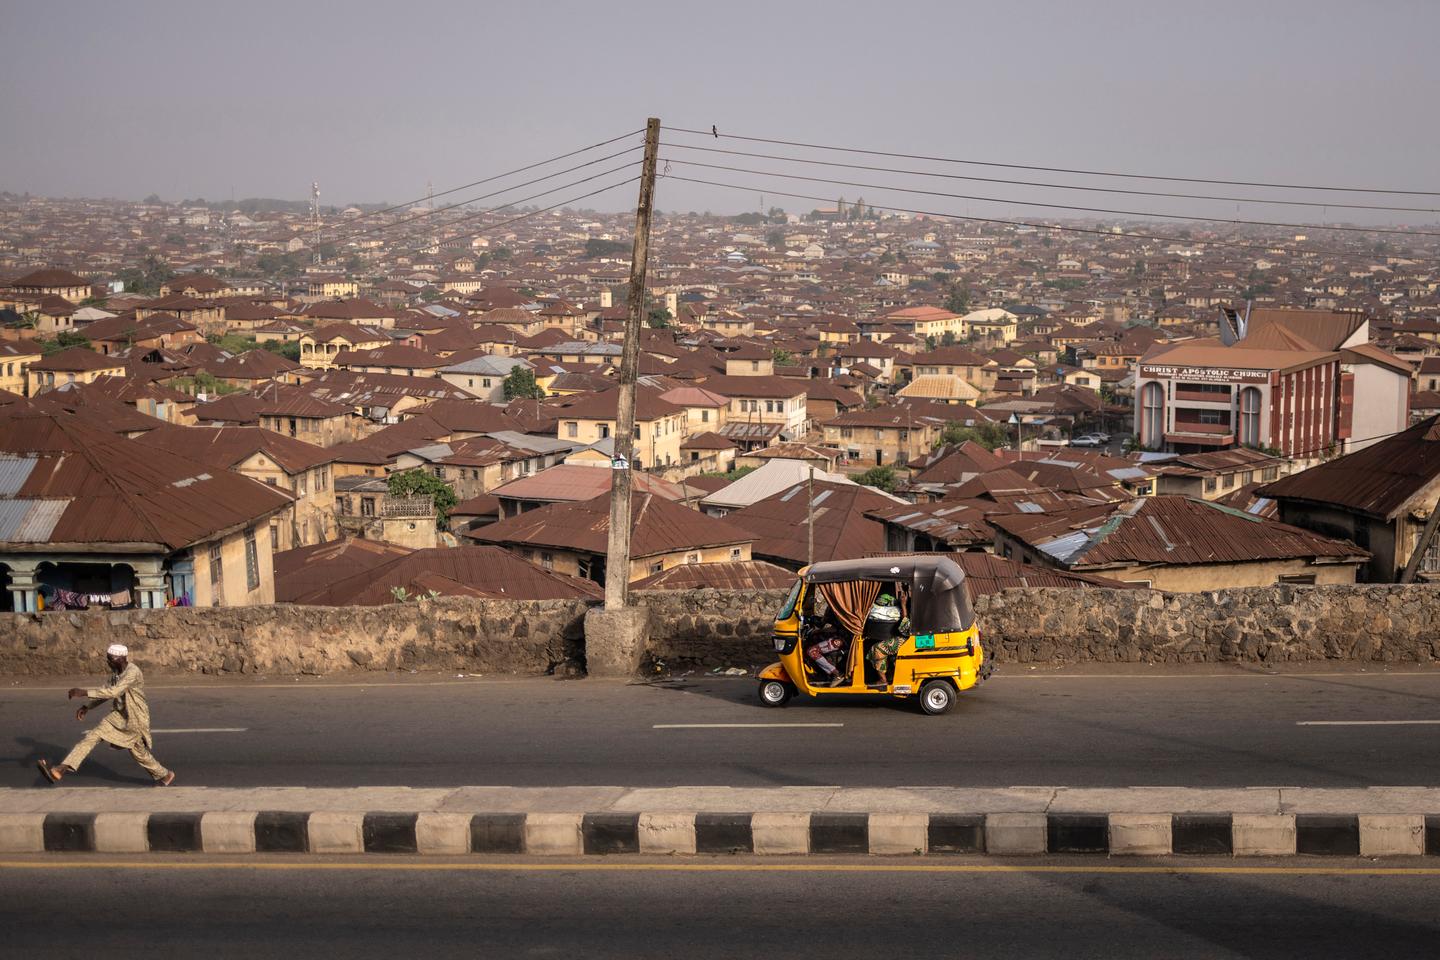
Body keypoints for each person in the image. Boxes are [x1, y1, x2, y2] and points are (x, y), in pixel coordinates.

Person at [37, 644, 174, 786]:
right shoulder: (115, 674)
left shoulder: (133, 672)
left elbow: (113, 692)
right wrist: (87, 706)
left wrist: (83, 692)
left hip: (135, 719)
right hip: (118, 716)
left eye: (110, 660)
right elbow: (104, 691)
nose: (108, 663)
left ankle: (164, 774)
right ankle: (60, 770)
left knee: (138, 752)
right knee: (92, 736)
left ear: (119, 658)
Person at [805, 623, 848, 687]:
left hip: (841, 636)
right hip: (837, 633)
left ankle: (837, 673)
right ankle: (833, 674)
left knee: (812, 651)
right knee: (812, 651)